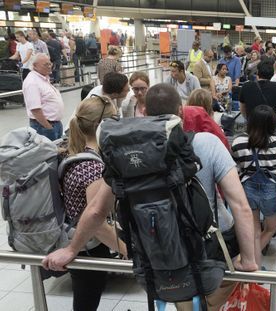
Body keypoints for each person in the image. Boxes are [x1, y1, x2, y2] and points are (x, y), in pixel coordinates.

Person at [42, 84, 259, 301]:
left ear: (145, 113)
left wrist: (71, 250)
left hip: (161, 255)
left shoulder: (125, 155)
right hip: (213, 252)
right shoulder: (207, 142)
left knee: (184, 299)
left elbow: (97, 211)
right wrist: (248, 260)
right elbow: (240, 206)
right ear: (181, 112)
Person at [63, 96, 128, 311]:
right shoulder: (92, 166)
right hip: (87, 246)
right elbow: (97, 221)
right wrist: (125, 250)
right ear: (102, 126)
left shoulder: (79, 153)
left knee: (86, 300)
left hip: (82, 241)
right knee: (86, 302)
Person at [231, 105, 276, 267]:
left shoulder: (238, 142)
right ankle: (250, 261)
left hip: (247, 188)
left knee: (254, 232)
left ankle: (251, 264)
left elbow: (236, 164)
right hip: (271, 189)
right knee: (270, 230)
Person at [23, 54, 64, 141]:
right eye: (46, 65)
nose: (49, 66)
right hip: (43, 127)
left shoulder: (43, 78)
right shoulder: (32, 82)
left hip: (54, 124)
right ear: (35, 66)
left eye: (50, 64)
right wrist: (48, 127)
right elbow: (35, 109)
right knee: (48, 153)